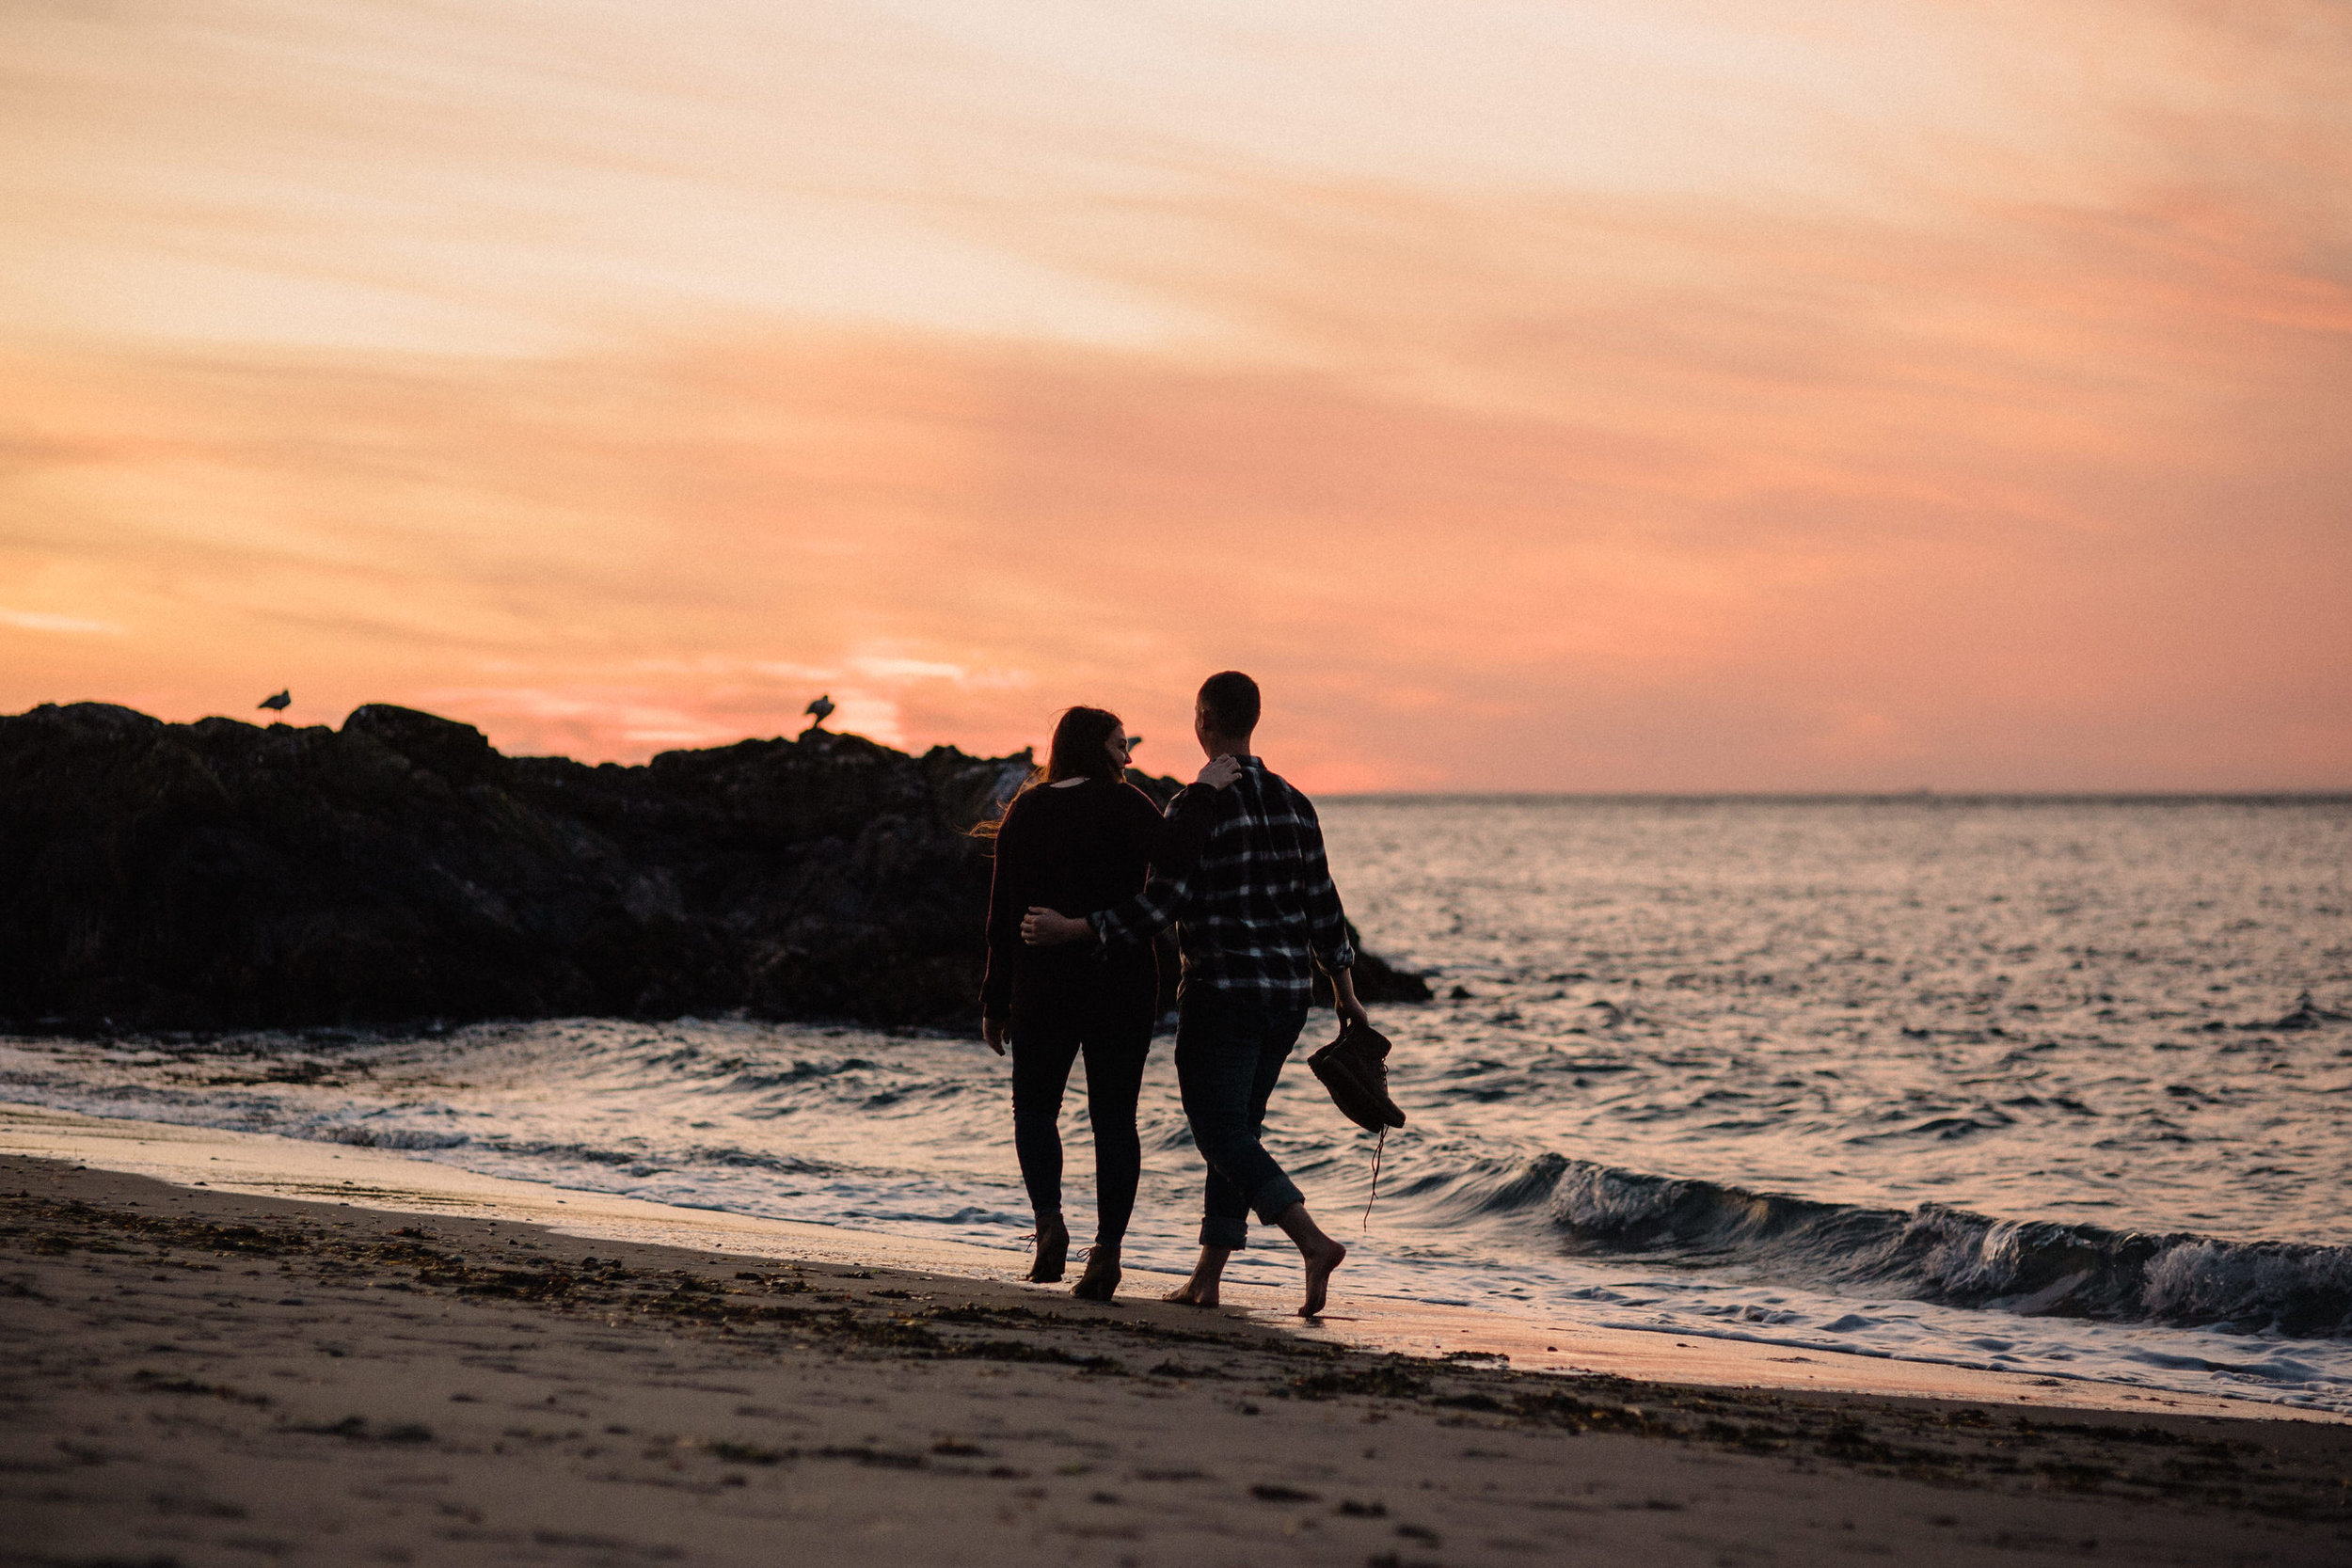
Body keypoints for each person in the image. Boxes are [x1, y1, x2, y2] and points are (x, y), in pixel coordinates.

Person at [1023, 671, 1365, 1317]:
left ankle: (1312, 1242)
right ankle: (1207, 1279)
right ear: (1253, 720)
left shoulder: (1192, 807)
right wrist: (1345, 990)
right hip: (1290, 996)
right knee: (1241, 1129)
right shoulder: (1296, 803)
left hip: (1223, 992)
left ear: (1204, 720)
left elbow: (1160, 906)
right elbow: (1325, 904)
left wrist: (1079, 927)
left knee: (1220, 1132)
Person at [978, 705, 1240, 1300]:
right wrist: (1201, 792)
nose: (1129, 755)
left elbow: (1001, 912)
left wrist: (994, 999)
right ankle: (1108, 1254)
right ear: (1096, 748)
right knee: (1114, 1119)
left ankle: (1048, 1222)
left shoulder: (1027, 808)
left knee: (1034, 1109)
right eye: (1121, 745)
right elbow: (1177, 854)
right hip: (1118, 982)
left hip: (1041, 983)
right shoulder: (1125, 804)